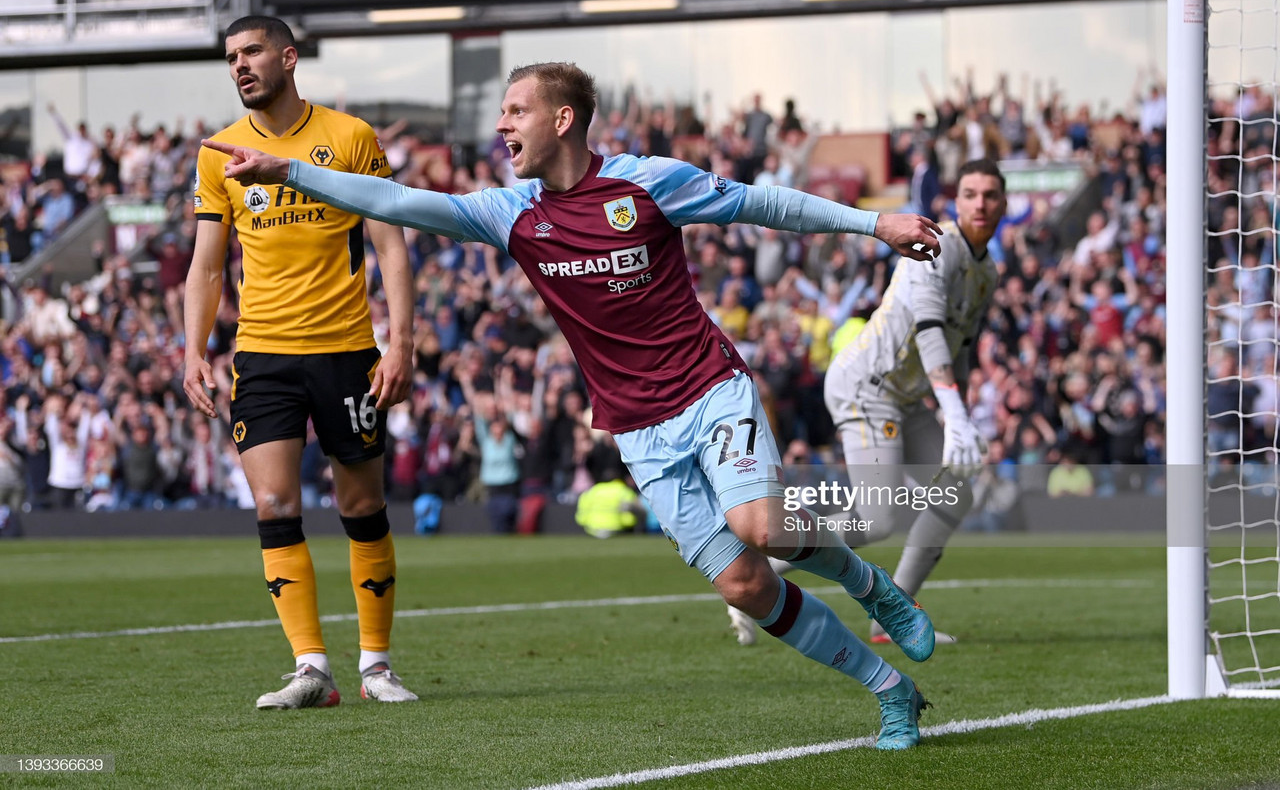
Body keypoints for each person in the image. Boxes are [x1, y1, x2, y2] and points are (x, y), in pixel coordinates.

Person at [202, 62, 944, 749]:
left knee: (762, 526)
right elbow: (396, 201)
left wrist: (875, 223)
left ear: (563, 118)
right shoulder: (511, 211)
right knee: (746, 585)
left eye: (515, 110)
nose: (502, 126)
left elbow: (763, 204)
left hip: (710, 388)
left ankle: (868, 585)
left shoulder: (648, 184)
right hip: (639, 428)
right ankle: (890, 690)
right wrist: (291, 170)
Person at [183, 15, 418, 710]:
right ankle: (311, 667)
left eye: (251, 52)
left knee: (362, 502)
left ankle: (377, 663)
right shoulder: (216, 151)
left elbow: (392, 243)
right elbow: (205, 265)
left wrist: (400, 340)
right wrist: (192, 351)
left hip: (346, 350)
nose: (239, 66)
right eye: (230, 57)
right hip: (261, 355)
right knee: (274, 502)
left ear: (288, 57)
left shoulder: (349, 137)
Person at [790, 158, 1004, 647]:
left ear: (1004, 204)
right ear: (956, 201)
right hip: (867, 386)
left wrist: (961, 422)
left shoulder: (986, 271)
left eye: (990, 195)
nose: (981, 203)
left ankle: (895, 614)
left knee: (957, 491)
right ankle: (765, 555)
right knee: (876, 519)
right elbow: (930, 332)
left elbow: (961, 351)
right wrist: (952, 414)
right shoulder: (939, 246)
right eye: (971, 193)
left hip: (905, 398)